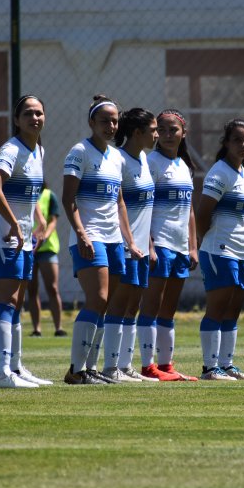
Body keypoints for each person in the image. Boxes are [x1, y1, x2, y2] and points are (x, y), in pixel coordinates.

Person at [62, 95, 140, 385]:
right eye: (105, 120)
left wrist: (129, 241)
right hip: (89, 236)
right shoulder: (79, 151)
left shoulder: (117, 157)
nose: (110, 125)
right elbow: (68, 198)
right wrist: (81, 233)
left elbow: (119, 202)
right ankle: (75, 370)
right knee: (98, 298)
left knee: (106, 304)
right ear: (91, 122)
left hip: (113, 240)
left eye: (114, 121)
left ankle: (89, 368)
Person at [0, 94, 50, 389]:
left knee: (18, 301)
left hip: (24, 237)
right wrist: (13, 222)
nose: (34, 118)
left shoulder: (39, 150)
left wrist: (37, 219)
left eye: (38, 113)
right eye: (28, 114)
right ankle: (1, 373)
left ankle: (15, 366)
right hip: (5, 236)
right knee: (6, 301)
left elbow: (29, 192)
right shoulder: (11, 149)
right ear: (16, 120)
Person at [137, 109, 198, 382]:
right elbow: (144, 207)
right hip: (159, 242)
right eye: (162, 129)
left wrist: (193, 246)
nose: (168, 134)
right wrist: (148, 243)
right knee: (151, 304)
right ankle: (148, 366)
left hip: (180, 246)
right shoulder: (151, 162)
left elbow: (190, 211)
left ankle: (166, 365)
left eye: (174, 129)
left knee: (170, 309)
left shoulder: (185, 166)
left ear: (184, 133)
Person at [195, 119, 244, 381]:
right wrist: (205, 243)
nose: (243, 145)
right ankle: (210, 368)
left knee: (233, 310)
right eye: (237, 140)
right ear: (226, 143)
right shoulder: (219, 172)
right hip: (220, 250)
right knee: (217, 309)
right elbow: (203, 213)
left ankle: (227, 363)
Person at [100, 108, 159, 382]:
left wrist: (149, 245)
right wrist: (128, 242)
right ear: (137, 133)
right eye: (153, 130)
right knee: (118, 306)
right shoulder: (119, 160)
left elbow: (144, 210)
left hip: (142, 250)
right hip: (124, 247)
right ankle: (110, 368)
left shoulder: (144, 159)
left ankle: (125, 366)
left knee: (133, 308)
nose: (157, 135)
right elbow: (114, 206)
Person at [27, 181, 66, 337]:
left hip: (47, 249)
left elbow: (53, 221)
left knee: (53, 288)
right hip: (28, 248)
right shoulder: (26, 193)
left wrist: (44, 237)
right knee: (32, 289)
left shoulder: (49, 195)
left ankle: (59, 327)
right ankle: (37, 329)